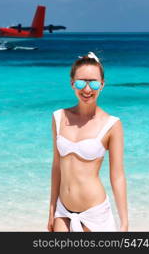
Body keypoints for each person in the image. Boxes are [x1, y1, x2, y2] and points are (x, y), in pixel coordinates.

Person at [47, 52, 128, 232]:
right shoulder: (58, 117)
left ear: (102, 85)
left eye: (93, 83)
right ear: (72, 83)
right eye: (81, 82)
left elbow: (117, 175)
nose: (87, 89)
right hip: (63, 212)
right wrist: (52, 209)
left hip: (95, 215)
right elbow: (56, 166)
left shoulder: (112, 125)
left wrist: (124, 222)